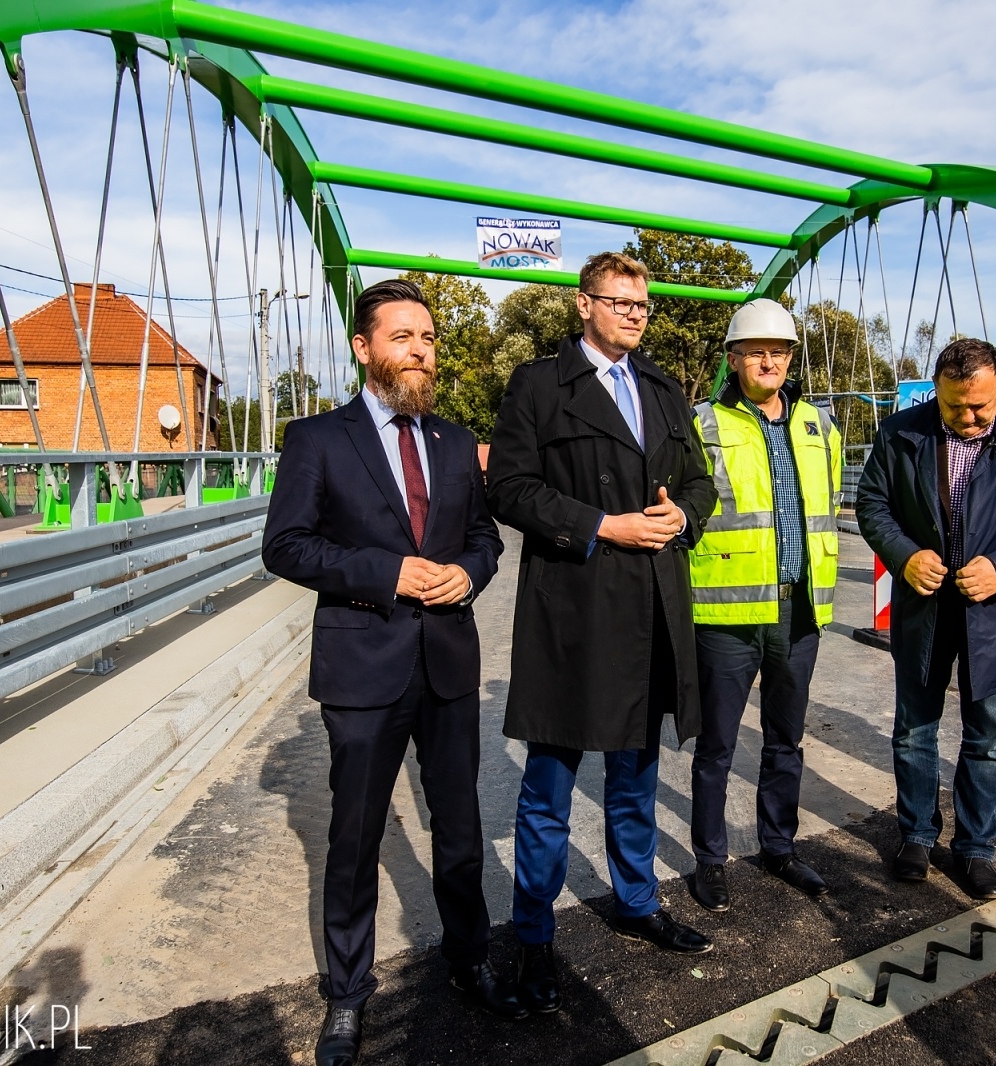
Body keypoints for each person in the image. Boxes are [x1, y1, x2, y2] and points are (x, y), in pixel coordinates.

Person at [261, 279, 519, 1066]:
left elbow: (485, 539)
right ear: (364, 348)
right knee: (354, 835)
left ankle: (468, 957)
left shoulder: (452, 439)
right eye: (404, 337)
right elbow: (287, 546)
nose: (421, 351)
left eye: (430, 338)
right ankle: (346, 995)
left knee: (460, 825)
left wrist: (468, 575)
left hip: (446, 661)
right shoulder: (318, 439)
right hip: (363, 665)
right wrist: (390, 573)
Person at [486, 251, 719, 1014]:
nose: (634, 313)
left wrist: (684, 515)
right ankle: (532, 935)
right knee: (550, 784)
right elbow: (509, 488)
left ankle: (638, 900)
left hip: (651, 605)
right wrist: (601, 525)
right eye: (620, 302)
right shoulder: (538, 384)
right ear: (583, 305)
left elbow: (698, 481)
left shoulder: (660, 387)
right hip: (574, 608)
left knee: (636, 775)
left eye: (642, 304)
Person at [855, 338, 996, 899]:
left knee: (986, 739)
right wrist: (904, 556)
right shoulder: (902, 432)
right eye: (955, 406)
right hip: (922, 610)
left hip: (995, 612)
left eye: (980, 405)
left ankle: (977, 848)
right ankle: (916, 837)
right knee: (913, 732)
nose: (969, 417)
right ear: (938, 390)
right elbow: (872, 505)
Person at [685, 298, 843, 912]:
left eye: (779, 351)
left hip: (799, 610)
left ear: (791, 358)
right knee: (717, 746)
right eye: (756, 351)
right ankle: (711, 859)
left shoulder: (819, 427)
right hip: (727, 612)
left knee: (786, 740)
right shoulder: (702, 424)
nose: (769, 361)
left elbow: (826, 504)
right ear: (733, 358)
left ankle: (779, 847)